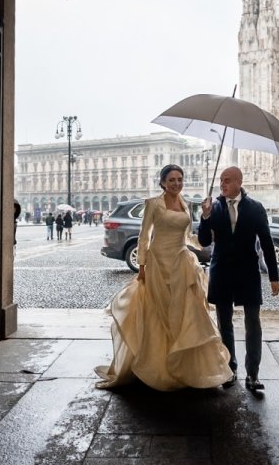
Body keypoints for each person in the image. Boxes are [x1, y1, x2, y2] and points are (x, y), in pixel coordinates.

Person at [95, 164, 233, 391]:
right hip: (158, 263)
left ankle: (186, 368)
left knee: (185, 313)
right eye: (172, 180)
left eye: (180, 179)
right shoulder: (153, 204)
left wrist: (206, 240)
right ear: (162, 182)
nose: (176, 183)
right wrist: (141, 266)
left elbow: (188, 236)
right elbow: (144, 237)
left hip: (181, 263)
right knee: (158, 313)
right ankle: (156, 367)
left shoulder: (185, 204)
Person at [198, 165, 279, 394]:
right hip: (222, 272)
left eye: (227, 180)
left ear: (239, 182)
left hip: (248, 273)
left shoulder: (255, 208)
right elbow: (204, 241)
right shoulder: (212, 208)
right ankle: (230, 369)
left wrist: (273, 277)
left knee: (253, 323)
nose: (222, 184)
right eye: (221, 180)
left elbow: (266, 242)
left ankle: (253, 374)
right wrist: (205, 217)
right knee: (224, 323)